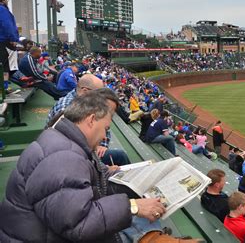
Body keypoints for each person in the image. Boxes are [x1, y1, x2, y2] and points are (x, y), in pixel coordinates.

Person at [0, 90, 166, 242]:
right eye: (105, 129)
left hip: (45, 233)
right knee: (144, 220)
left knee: (145, 214)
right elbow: (80, 226)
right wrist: (133, 206)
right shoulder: (64, 156)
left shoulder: (65, 140)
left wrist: (137, 183)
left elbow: (94, 179)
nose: (103, 136)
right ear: (92, 120)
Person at [46, 73, 131, 166]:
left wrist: (102, 145)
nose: (102, 98)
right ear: (85, 91)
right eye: (99, 94)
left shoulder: (86, 101)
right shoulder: (65, 107)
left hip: (80, 151)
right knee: (120, 156)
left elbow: (105, 128)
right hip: (67, 158)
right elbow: (73, 148)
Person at [0, 0, 19, 90]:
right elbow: (7, 25)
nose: (7, 1)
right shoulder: (2, 10)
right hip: (3, 41)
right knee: (5, 66)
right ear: (3, 0)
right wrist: (13, 39)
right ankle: (4, 87)